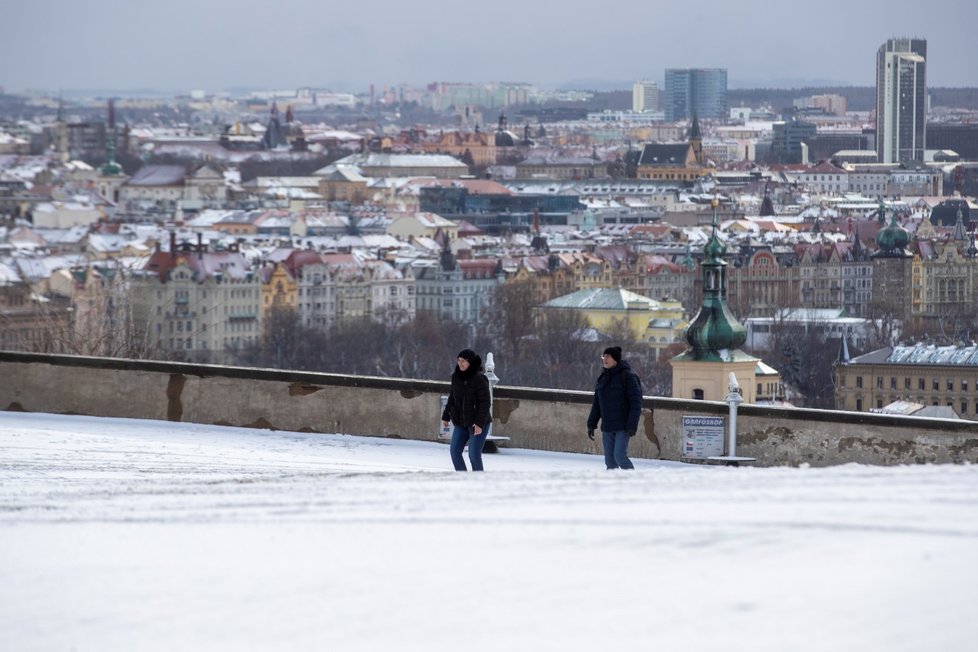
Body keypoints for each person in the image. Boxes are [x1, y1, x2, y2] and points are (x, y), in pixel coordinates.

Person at [587, 346, 641, 470]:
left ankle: (633, 482)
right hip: (607, 426)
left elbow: (636, 403)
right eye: (603, 356)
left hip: (623, 426)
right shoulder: (603, 378)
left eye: (608, 356)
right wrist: (591, 423)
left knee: (619, 457)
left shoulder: (628, 377)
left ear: (615, 359)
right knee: (610, 461)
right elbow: (597, 404)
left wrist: (632, 425)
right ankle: (613, 487)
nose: (605, 359)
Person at [442, 349, 492, 472]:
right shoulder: (456, 377)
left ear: (470, 362)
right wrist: (446, 415)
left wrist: (479, 423)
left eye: (463, 361)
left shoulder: (480, 379)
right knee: (455, 452)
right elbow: (452, 397)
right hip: (461, 422)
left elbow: (485, 403)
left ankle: (478, 483)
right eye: (459, 361)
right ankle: (463, 480)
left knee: (474, 456)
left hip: (477, 423)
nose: (460, 363)